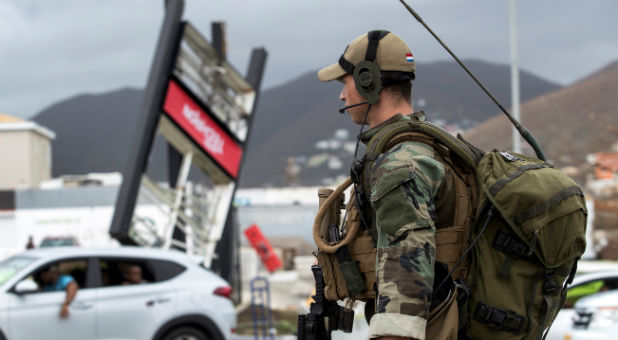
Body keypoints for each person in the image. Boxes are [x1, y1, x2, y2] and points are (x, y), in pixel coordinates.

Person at [317, 30, 457, 339]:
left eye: (345, 83)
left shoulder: (400, 163)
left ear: (368, 81)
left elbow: (407, 262)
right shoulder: (431, 146)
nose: (342, 95)